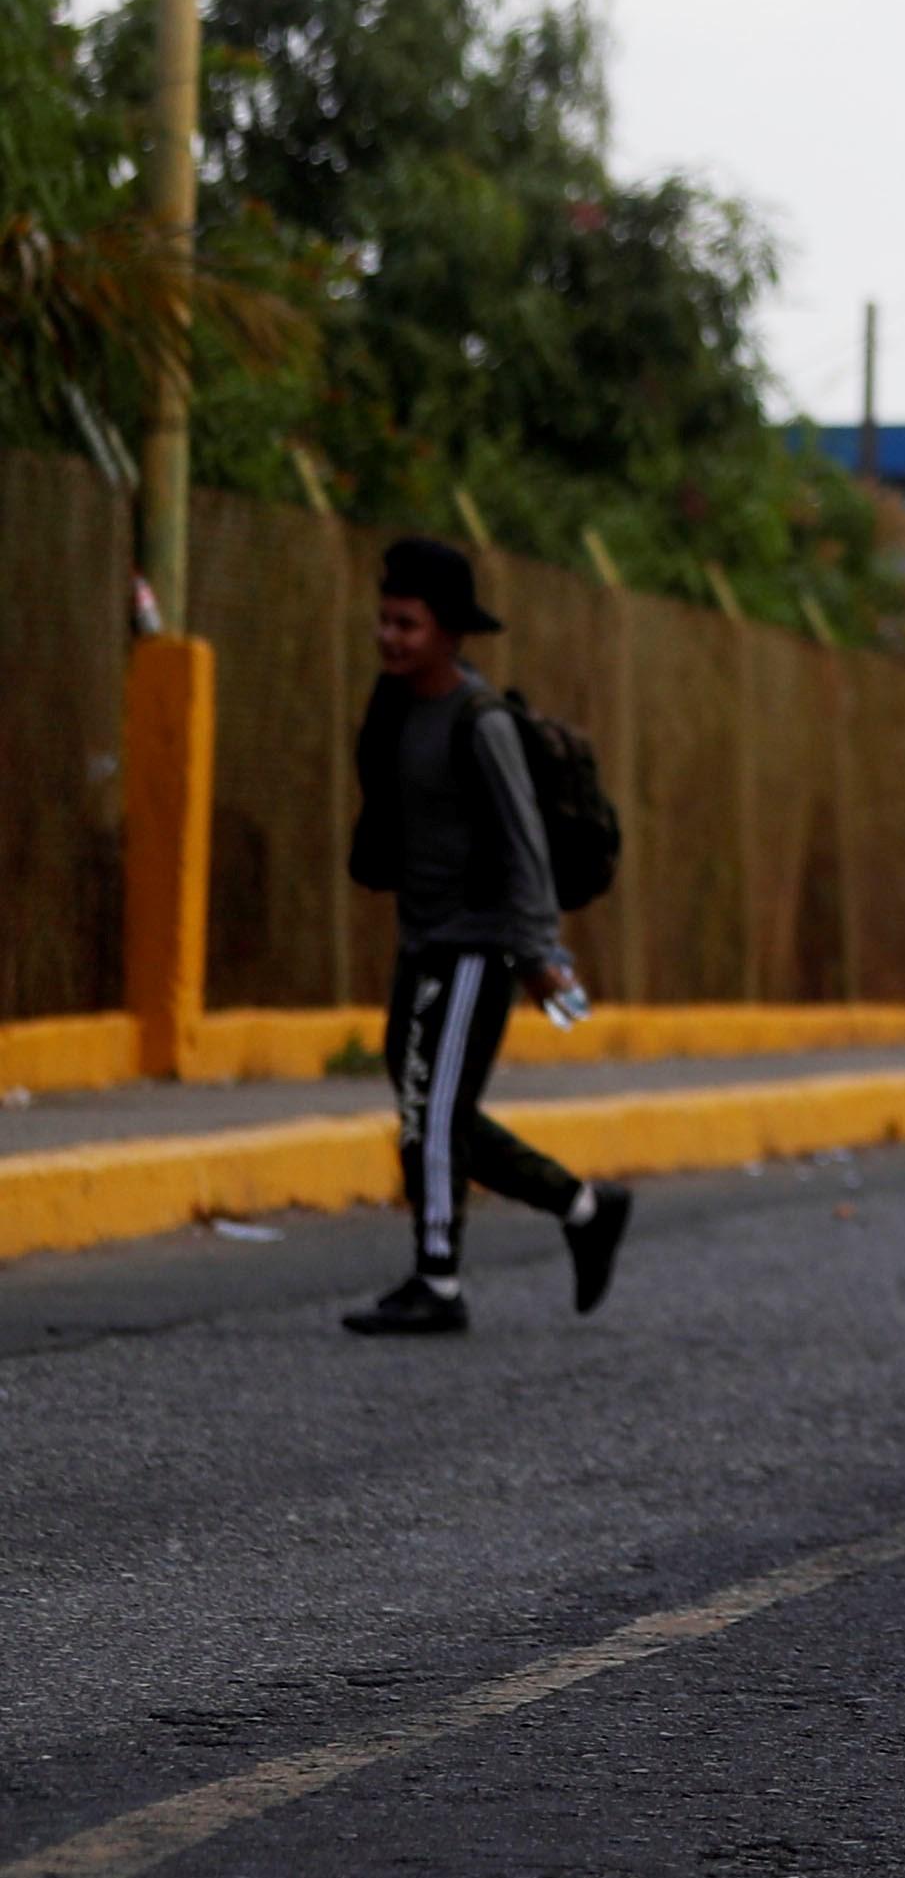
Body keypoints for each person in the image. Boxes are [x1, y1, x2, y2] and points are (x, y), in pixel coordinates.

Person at [336, 538, 633, 1336]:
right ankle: (583, 1207)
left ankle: (438, 1281)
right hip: (421, 938)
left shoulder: (482, 723)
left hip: (478, 944)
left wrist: (540, 956)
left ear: (450, 633)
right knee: (428, 1105)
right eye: (385, 621)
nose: (390, 637)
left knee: (433, 1109)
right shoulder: (395, 705)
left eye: (408, 624)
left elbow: (525, 849)